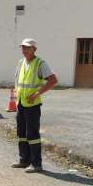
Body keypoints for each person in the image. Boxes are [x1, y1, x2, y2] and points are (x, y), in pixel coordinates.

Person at [11, 38, 58, 173]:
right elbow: (17, 82)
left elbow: (53, 80)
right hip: (21, 103)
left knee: (32, 134)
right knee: (21, 133)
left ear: (34, 49)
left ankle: (36, 164)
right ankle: (24, 160)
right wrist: (16, 95)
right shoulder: (20, 63)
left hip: (32, 105)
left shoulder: (40, 63)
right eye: (23, 48)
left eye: (28, 48)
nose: (24, 50)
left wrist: (37, 94)